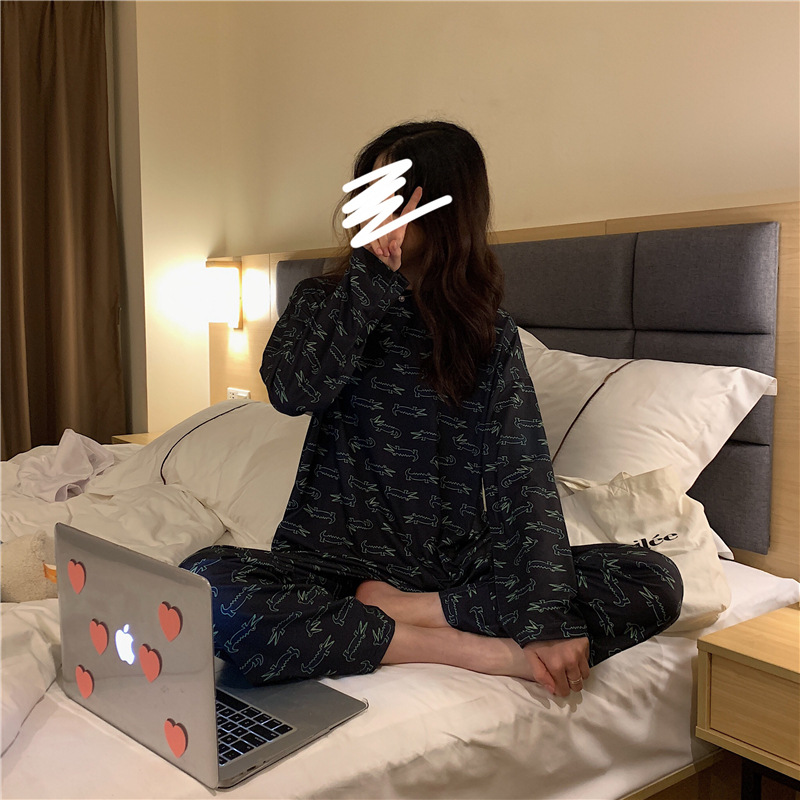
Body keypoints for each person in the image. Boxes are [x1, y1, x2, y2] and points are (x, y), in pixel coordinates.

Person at [180, 120, 683, 697]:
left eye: (389, 192)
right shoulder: (323, 300)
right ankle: (458, 648)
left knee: (654, 578)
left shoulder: (485, 333)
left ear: (444, 205)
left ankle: (410, 613)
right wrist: (370, 280)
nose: (373, 208)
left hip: (450, 569)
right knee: (202, 583)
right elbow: (294, 392)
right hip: (330, 565)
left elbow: (521, 472)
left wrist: (547, 615)